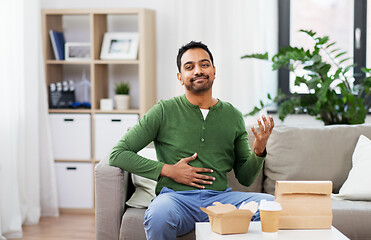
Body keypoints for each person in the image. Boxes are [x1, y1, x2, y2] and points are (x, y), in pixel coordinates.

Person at [109, 41, 275, 240]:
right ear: (180, 77)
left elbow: (245, 178)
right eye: (189, 67)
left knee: (271, 205)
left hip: (221, 200)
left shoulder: (233, 116)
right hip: (175, 199)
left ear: (214, 71)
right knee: (158, 215)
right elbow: (118, 154)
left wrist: (258, 151)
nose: (198, 70)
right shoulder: (163, 111)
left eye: (204, 65)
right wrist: (169, 170)